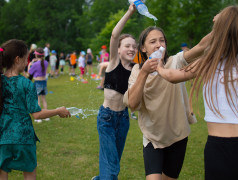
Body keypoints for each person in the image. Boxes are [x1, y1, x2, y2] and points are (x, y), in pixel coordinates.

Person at [123, 18, 212, 180]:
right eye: (153, 41)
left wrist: (223, 25)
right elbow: (132, 104)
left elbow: (201, 46)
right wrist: (144, 72)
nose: (158, 45)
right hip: (152, 137)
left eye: (162, 40)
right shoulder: (136, 70)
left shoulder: (175, 61)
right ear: (143, 48)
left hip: (178, 135)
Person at [156, 6, 238, 180]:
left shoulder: (210, 62)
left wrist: (158, 66)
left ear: (220, 29)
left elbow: (172, 76)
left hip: (220, 147)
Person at [0, 39, 71, 180]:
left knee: (2, 174)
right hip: (24, 137)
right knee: (30, 173)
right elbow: (37, 115)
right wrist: (58, 111)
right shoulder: (26, 83)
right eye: (26, 58)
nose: (28, 62)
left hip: (3, 137)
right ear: (17, 59)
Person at [92, 4, 137, 180]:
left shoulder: (136, 69)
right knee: (112, 167)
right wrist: (130, 12)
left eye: (134, 46)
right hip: (107, 118)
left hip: (123, 119)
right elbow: (114, 35)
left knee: (113, 160)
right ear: (118, 49)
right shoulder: (113, 62)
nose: (131, 49)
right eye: (127, 46)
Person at [28, 47, 49, 123]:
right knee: (44, 99)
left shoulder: (35, 64)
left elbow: (29, 73)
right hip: (44, 82)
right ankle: (46, 116)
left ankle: (39, 117)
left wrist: (30, 64)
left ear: (36, 55)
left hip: (37, 83)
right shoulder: (46, 62)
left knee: (38, 100)